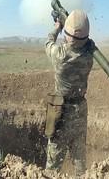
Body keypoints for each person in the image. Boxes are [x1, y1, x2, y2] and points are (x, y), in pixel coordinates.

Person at [45, 10, 94, 176]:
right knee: (79, 159)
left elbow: (48, 42)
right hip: (80, 109)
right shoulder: (89, 55)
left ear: (67, 34)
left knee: (53, 162)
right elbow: (87, 43)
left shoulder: (59, 55)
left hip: (60, 111)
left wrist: (58, 27)